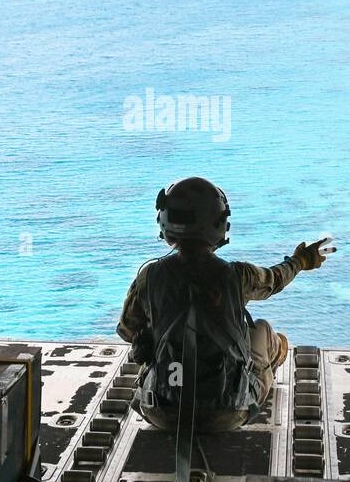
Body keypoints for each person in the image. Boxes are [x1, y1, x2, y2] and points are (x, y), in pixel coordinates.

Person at [116, 176, 330, 431]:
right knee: (263, 331)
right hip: (228, 413)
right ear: (220, 223)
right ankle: (274, 359)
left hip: (162, 412)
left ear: (165, 221)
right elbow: (275, 279)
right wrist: (302, 261)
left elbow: (127, 330)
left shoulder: (149, 277)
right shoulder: (236, 276)